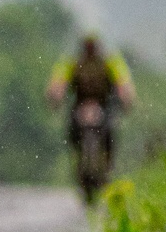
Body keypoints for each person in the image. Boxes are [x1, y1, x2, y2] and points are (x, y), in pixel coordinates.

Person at [46, 33, 136, 164]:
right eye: (88, 46)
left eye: (93, 46)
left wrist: (126, 98)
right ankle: (77, 156)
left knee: (111, 129)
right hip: (80, 103)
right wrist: (55, 96)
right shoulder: (71, 61)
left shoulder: (111, 61)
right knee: (71, 129)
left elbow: (124, 84)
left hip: (103, 103)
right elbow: (58, 83)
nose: (90, 51)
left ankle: (107, 161)